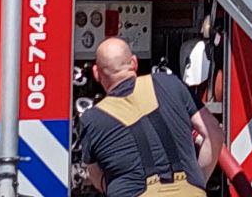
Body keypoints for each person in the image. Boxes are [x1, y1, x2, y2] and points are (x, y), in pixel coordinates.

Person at [79, 37, 225, 197]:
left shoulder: (91, 119)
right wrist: (197, 182)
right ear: (134, 63)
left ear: (96, 73)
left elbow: (95, 174)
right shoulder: (171, 84)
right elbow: (214, 134)